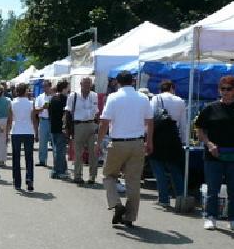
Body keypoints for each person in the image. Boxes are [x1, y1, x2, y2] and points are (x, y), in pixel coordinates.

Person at [195, 76, 234, 232]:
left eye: (229, 89)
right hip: (213, 154)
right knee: (213, 188)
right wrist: (209, 144)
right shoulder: (210, 108)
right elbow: (199, 129)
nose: (225, 92)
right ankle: (210, 217)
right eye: (223, 89)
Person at [97, 71, 153, 228]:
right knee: (133, 182)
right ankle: (130, 217)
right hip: (137, 143)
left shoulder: (113, 98)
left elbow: (104, 122)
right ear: (133, 81)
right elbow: (150, 121)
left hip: (118, 142)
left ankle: (116, 203)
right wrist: (149, 142)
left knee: (108, 175)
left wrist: (98, 142)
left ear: (117, 82)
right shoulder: (143, 98)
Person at [149, 80, 187, 208]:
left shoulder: (155, 99)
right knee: (175, 169)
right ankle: (181, 198)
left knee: (158, 168)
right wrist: (183, 140)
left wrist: (147, 138)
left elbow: (151, 119)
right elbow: (183, 123)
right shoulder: (180, 101)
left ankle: (163, 199)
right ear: (172, 88)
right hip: (173, 137)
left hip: (158, 137)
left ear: (161, 89)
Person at [66, 76, 99, 185]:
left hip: (91, 124)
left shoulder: (94, 95)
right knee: (78, 153)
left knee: (93, 152)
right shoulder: (73, 95)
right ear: (80, 84)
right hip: (78, 125)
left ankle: (92, 176)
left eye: (89, 84)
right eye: (85, 83)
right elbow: (68, 112)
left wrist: (97, 126)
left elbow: (97, 112)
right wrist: (68, 129)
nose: (87, 86)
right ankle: (78, 176)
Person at [7, 83, 38, 192]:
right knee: (29, 157)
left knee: (16, 157)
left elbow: (10, 119)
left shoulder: (12, 103)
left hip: (16, 131)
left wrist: (7, 132)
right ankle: (29, 179)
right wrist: (36, 132)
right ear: (25, 91)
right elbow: (33, 119)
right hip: (28, 131)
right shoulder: (30, 103)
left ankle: (17, 181)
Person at [48, 80, 70, 179]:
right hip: (61, 127)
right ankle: (58, 171)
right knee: (60, 151)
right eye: (68, 87)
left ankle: (61, 169)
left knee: (57, 150)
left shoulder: (52, 99)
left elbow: (49, 113)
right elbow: (67, 115)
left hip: (53, 127)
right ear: (64, 88)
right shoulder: (64, 99)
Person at [34, 80, 53, 166]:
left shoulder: (54, 97)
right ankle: (42, 160)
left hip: (52, 121)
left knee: (54, 141)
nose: (45, 88)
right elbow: (36, 110)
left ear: (50, 87)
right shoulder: (40, 97)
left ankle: (56, 161)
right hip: (44, 120)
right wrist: (43, 108)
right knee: (42, 142)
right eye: (43, 86)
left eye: (46, 86)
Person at [0, 86, 11, 167]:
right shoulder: (8, 100)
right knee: (3, 141)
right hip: (4, 120)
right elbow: (10, 112)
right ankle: (2, 160)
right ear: (3, 92)